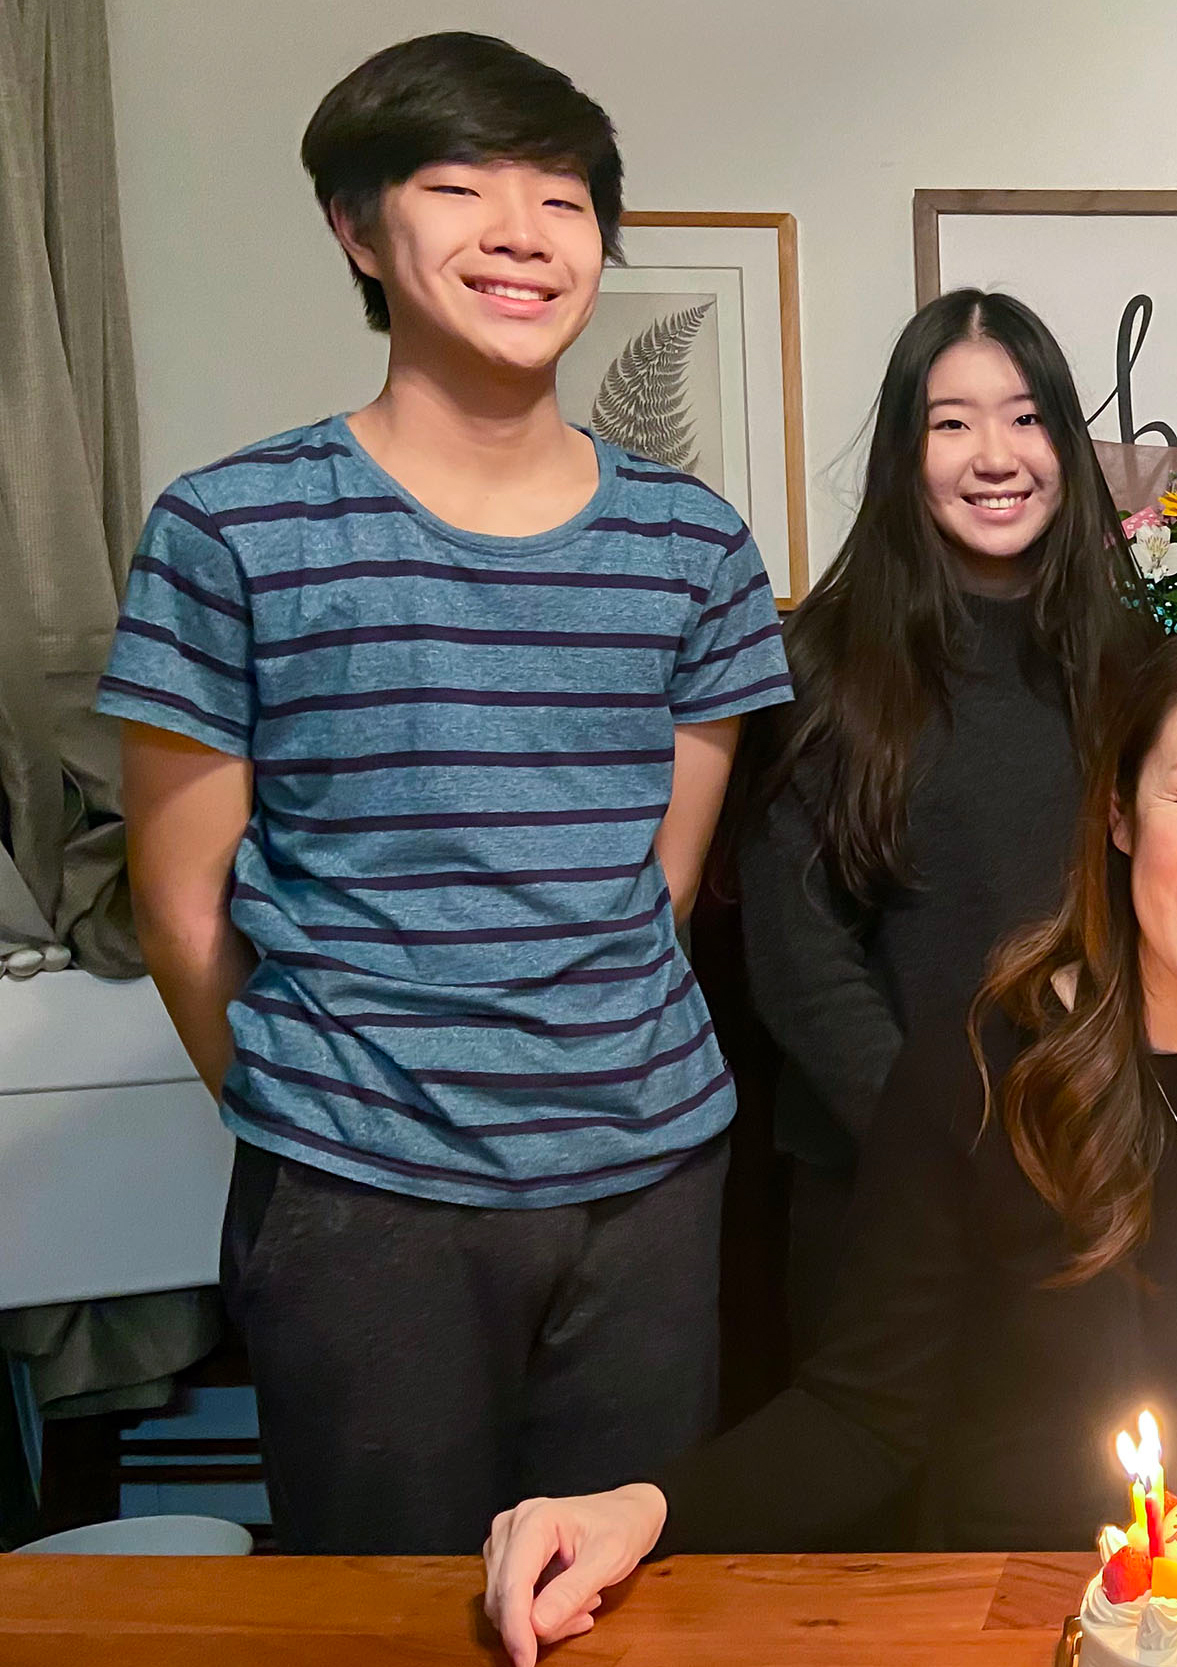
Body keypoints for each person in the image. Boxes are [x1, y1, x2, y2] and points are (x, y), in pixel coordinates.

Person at [98, 34, 791, 1553]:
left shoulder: (693, 545)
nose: (523, 232)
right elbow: (177, 908)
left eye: (564, 197)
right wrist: (333, 1115)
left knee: (632, 1585)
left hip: (652, 1175)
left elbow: (661, 882)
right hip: (361, 1190)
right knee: (384, 1603)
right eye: (461, 186)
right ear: (356, 228)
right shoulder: (233, 528)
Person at [482, 619, 1177, 1664]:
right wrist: (643, 1507)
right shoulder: (987, 1068)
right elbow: (863, 1414)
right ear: (1119, 813)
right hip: (1025, 1618)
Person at [735, 289, 1149, 1356]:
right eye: (951, 422)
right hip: (880, 1185)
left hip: (1097, 1181)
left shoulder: (1133, 662)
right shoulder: (822, 664)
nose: (994, 455)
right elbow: (801, 956)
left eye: (1025, 417)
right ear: (902, 452)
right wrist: (945, 1156)